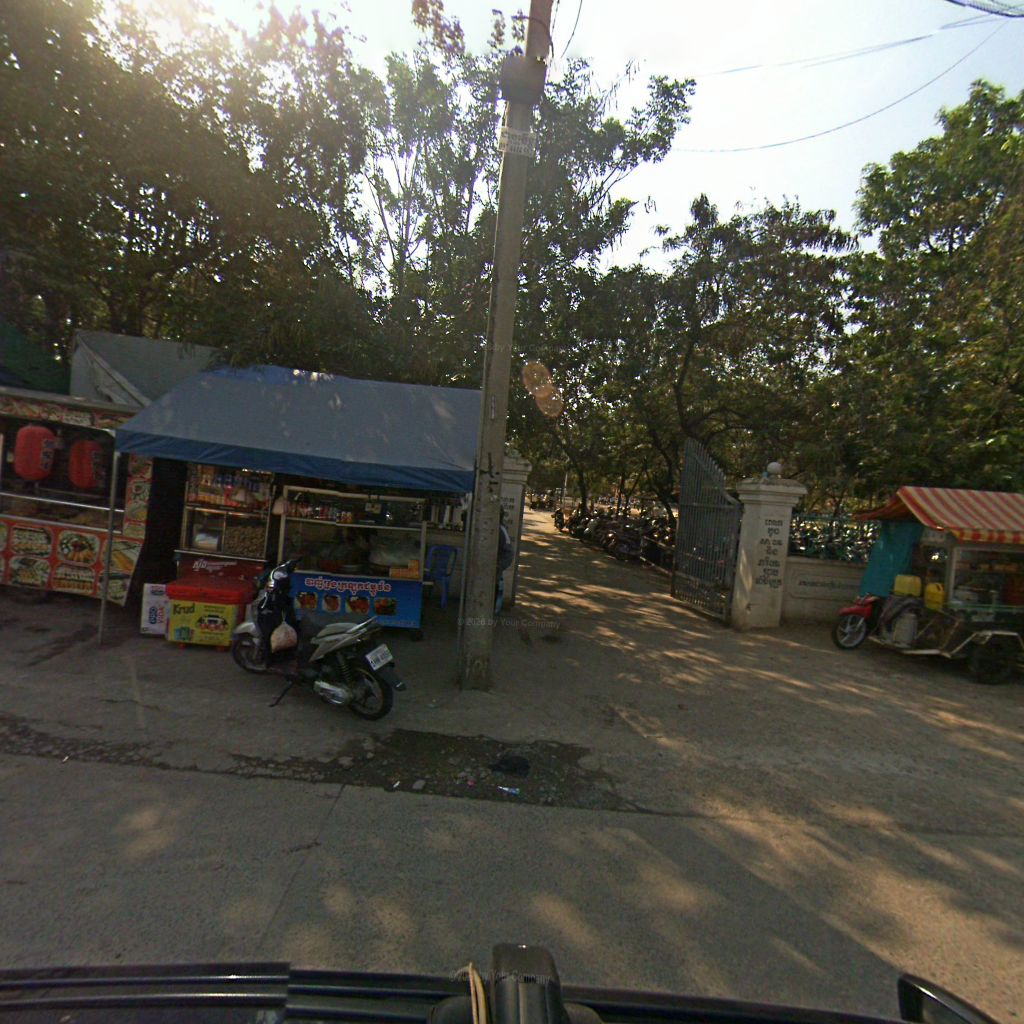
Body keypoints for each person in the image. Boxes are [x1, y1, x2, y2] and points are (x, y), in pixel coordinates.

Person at [495, 509, 514, 614]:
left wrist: (499, 566)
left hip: (496, 568)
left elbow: (509, 554)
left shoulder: (500, 530)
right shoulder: (498, 528)